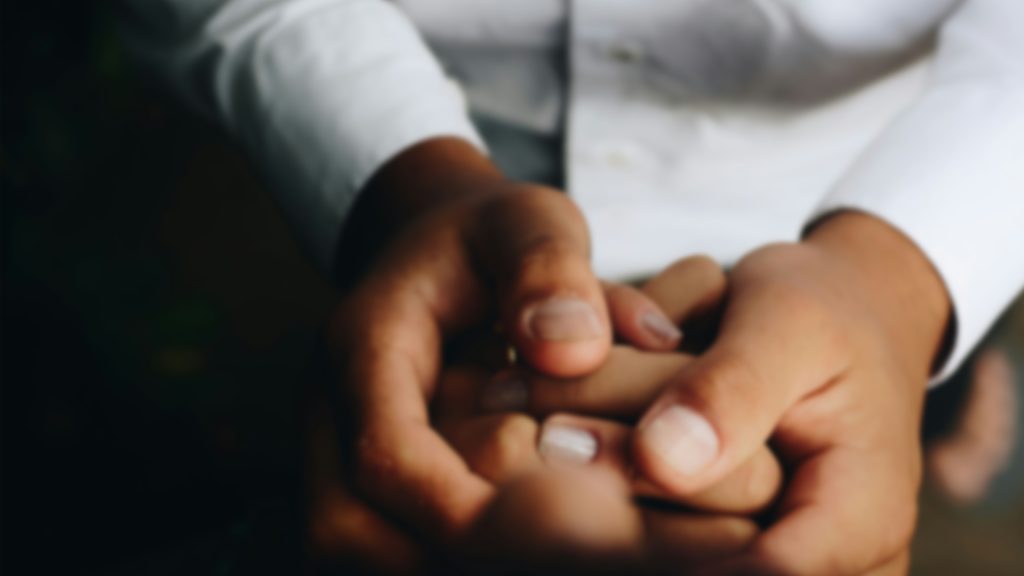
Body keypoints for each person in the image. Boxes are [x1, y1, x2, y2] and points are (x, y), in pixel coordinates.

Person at [118, 0, 1024, 573]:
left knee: (894, 381)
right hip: (434, 158)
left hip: (868, 169)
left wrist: (905, 277)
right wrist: (407, 188)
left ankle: (941, 395)